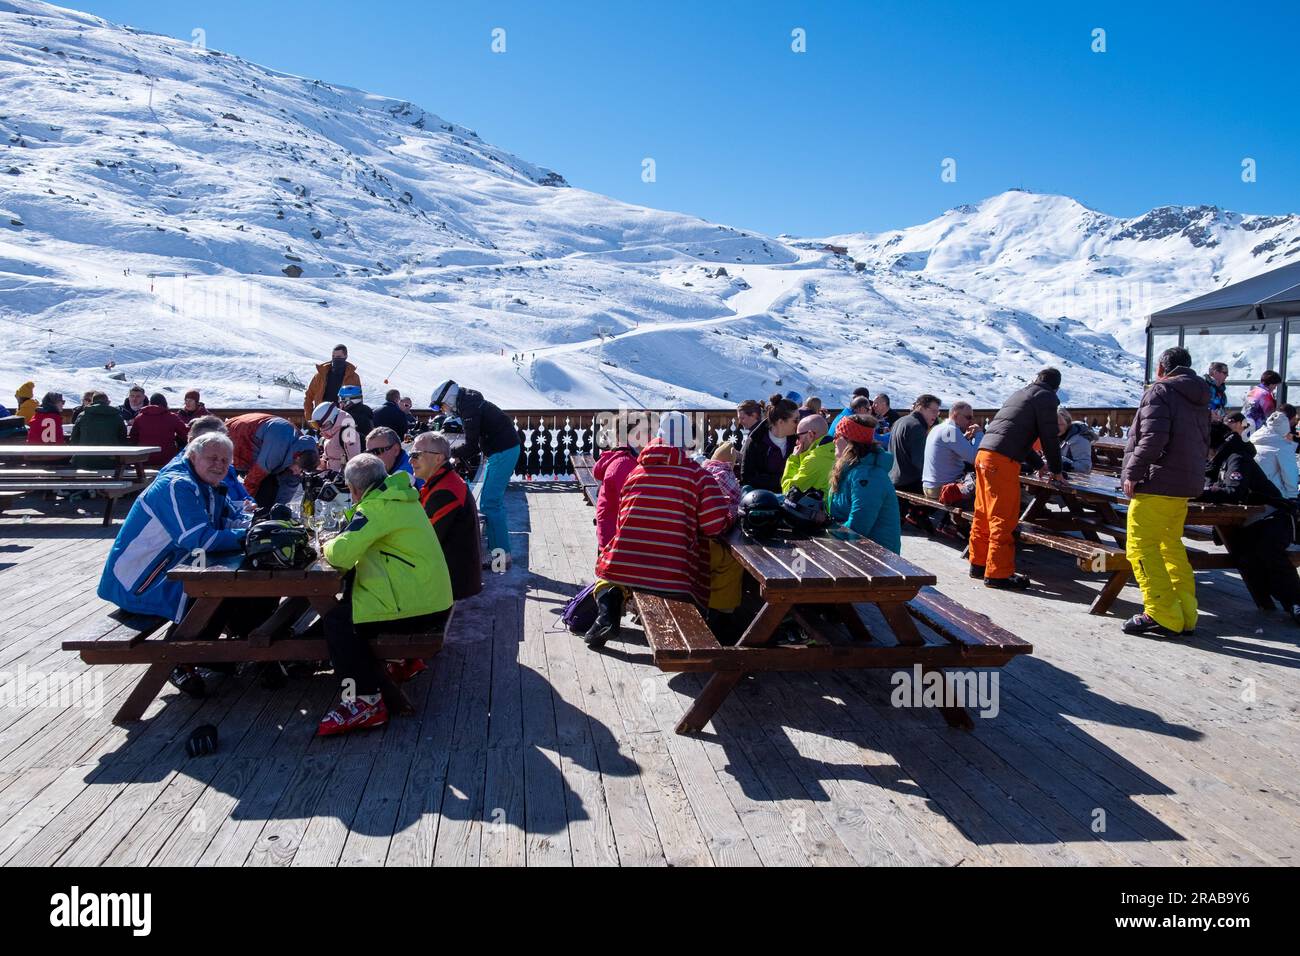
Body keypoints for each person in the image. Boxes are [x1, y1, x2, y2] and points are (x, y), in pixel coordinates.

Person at [98, 432, 253, 697]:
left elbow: (228, 519)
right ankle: (179, 659)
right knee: (218, 589)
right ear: (192, 456)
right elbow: (197, 539)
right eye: (212, 458)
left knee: (234, 586)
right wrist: (249, 537)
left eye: (225, 461)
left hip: (174, 567)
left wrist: (254, 524)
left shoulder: (206, 484)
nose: (219, 465)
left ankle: (216, 649)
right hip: (140, 580)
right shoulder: (176, 485)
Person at [317, 454, 453, 735]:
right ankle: (399, 662)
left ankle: (365, 702)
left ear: (353, 489)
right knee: (352, 594)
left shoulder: (376, 508)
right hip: (430, 598)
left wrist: (326, 543)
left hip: (418, 607)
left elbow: (341, 555)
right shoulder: (399, 496)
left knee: (338, 623)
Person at [586, 412, 733, 647]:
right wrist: (730, 516)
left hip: (626, 568)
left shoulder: (636, 473)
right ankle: (721, 625)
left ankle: (607, 612)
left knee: (607, 573)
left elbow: (623, 519)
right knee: (725, 560)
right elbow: (714, 527)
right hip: (674, 574)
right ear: (689, 442)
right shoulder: (699, 477)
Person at [1120, 346, 1210, 637]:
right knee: (1170, 546)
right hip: (1184, 485)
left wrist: (1132, 472)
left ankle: (1160, 611)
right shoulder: (1200, 397)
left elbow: (1152, 438)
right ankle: (1185, 612)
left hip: (1157, 483)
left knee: (1141, 547)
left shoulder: (1161, 391)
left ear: (1161, 367)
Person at [969, 368, 1065, 590]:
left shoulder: (1020, 394)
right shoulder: (1047, 397)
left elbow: (1012, 435)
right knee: (1003, 516)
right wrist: (1056, 470)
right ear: (1056, 387)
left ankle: (979, 563)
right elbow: (1049, 437)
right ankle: (998, 574)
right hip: (1001, 462)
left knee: (983, 513)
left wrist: (1040, 465)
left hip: (984, 455)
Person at [1200, 422, 1300, 626]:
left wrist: (1198, 491)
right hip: (1248, 523)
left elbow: (1234, 491)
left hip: (1272, 518)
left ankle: (1296, 602)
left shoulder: (1236, 458)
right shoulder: (1218, 461)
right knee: (1245, 555)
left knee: (1267, 551)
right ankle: (1279, 601)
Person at [430, 379, 520, 569]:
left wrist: (447, 455)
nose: (442, 410)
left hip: (503, 451)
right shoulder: (467, 403)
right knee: (490, 502)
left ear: (448, 398)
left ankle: (501, 556)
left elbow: (471, 445)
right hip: (502, 449)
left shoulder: (468, 407)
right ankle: (499, 551)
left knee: (491, 503)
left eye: (441, 405)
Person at [411, 431, 483, 601]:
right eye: (411, 454)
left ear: (438, 458)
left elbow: (425, 541)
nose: (411, 461)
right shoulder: (442, 482)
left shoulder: (446, 491)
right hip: (448, 575)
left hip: (449, 583)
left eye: (416, 455)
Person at [828, 414, 902, 553]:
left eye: (838, 436)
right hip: (855, 549)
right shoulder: (849, 469)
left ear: (851, 443)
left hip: (878, 558)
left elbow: (859, 525)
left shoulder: (869, 475)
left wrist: (828, 535)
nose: (834, 440)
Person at [227, 412, 318, 507]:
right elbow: (253, 479)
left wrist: (279, 509)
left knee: (272, 486)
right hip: (238, 435)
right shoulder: (277, 449)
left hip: (261, 435)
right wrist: (244, 505)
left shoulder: (304, 453)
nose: (297, 472)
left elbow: (289, 483)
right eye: (299, 469)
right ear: (297, 457)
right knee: (227, 480)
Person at [159, 414, 249, 504]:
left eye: (220, 441)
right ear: (191, 441)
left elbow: (243, 495)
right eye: (206, 442)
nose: (215, 447)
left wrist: (248, 503)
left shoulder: (224, 465)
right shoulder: (177, 480)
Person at [739, 394, 797, 493]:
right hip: (762, 499)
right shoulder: (755, 441)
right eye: (795, 420)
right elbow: (747, 478)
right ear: (781, 422)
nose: (799, 423)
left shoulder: (797, 440)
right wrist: (780, 481)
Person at [922, 401, 982, 498]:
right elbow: (974, 458)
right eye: (968, 417)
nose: (971, 421)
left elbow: (947, 449)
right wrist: (979, 434)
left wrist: (963, 438)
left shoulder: (938, 428)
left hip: (929, 487)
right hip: (943, 488)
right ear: (956, 415)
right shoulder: (951, 431)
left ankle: (941, 513)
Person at [592, 438, 640, 553]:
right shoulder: (623, 465)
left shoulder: (623, 458)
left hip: (611, 535)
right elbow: (634, 508)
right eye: (645, 430)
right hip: (614, 543)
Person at [303, 344, 361, 422]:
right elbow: (309, 396)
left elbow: (358, 400)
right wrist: (310, 418)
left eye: (339, 357)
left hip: (342, 420)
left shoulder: (353, 377)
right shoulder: (321, 375)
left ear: (345, 356)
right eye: (333, 356)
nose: (335, 359)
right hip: (322, 419)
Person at [1249, 410, 1299, 499]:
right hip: (1274, 494)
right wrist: (1293, 496)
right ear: (1285, 427)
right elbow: (1290, 473)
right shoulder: (1282, 447)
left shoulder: (1254, 439)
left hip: (1252, 491)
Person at [781, 414, 835, 497]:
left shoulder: (814, 459)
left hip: (821, 509)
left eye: (798, 436)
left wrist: (793, 459)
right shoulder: (837, 449)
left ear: (810, 435)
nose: (796, 442)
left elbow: (788, 491)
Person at [70, 392, 128, 468]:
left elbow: (74, 438)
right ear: (107, 402)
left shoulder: (83, 415)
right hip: (110, 462)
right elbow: (122, 438)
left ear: (93, 401)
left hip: (84, 461)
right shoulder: (116, 416)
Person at [130, 393, 189, 467]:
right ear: (164, 403)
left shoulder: (139, 418)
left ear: (150, 403)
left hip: (144, 459)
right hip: (167, 460)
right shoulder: (171, 417)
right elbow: (185, 434)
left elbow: (133, 437)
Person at [311, 401, 360, 472]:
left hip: (343, 479)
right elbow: (328, 458)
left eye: (322, 425)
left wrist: (342, 477)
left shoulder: (348, 434)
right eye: (316, 425)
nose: (320, 428)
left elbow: (355, 463)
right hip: (329, 476)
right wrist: (317, 463)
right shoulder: (330, 433)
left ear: (330, 421)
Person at [1058, 409, 1098, 475]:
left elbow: (1085, 467)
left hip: (1078, 480)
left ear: (1068, 424)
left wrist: (1057, 459)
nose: (1056, 427)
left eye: (1060, 424)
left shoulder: (1079, 439)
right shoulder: (1056, 435)